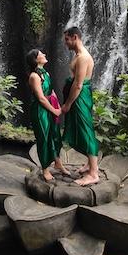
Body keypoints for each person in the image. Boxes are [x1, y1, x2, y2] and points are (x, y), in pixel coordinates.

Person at [61, 26, 100, 185]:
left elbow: (78, 85)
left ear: (75, 37)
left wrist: (68, 104)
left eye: (67, 39)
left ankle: (93, 173)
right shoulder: (79, 55)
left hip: (79, 98)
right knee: (83, 129)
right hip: (80, 97)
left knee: (86, 130)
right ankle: (90, 164)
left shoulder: (83, 57)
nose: (65, 43)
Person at [26, 48, 71, 181]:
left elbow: (51, 92)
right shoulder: (34, 76)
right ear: (35, 60)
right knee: (44, 138)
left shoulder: (46, 73)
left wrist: (59, 107)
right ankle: (45, 169)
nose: (44, 54)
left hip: (50, 107)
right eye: (41, 54)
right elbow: (40, 98)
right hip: (40, 111)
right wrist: (54, 110)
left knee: (55, 135)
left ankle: (58, 164)